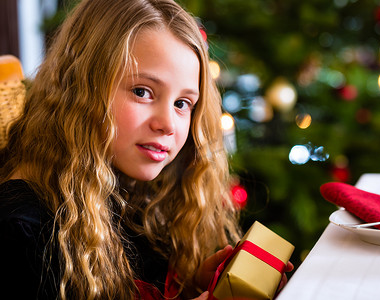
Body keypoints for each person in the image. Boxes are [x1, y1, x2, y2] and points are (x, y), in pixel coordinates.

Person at [0, 0, 242, 299]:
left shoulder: (138, 200)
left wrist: (195, 286)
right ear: (81, 87)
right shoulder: (22, 230)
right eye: (142, 92)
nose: (168, 124)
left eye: (182, 104)